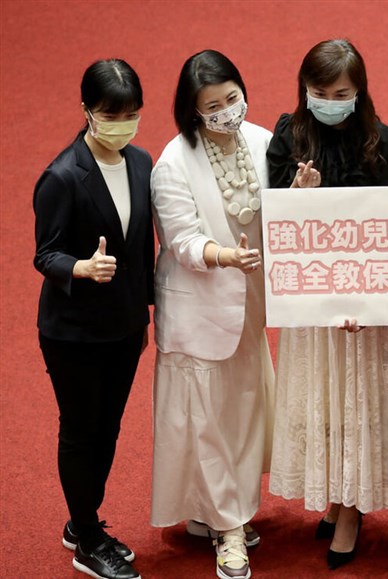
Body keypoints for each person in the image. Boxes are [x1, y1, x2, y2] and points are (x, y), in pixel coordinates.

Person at [266, 38, 388, 570]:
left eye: (341, 93)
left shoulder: (383, 141)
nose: (329, 102)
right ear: (305, 90)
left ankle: (350, 511)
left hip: (363, 308)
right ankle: (334, 495)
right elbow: (274, 219)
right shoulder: (289, 134)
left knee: (357, 404)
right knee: (321, 401)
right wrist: (296, 195)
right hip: (312, 303)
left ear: (359, 91)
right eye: (319, 92)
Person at [149, 49, 276, 579]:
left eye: (232, 98)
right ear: (193, 110)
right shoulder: (173, 163)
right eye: (213, 106)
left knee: (242, 411)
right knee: (205, 422)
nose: (227, 111)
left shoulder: (263, 141)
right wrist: (225, 256)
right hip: (199, 309)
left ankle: (221, 512)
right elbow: (181, 240)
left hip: (251, 305)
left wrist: (302, 190)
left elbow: (283, 208)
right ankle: (228, 530)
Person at [33, 58, 151, 579]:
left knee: (109, 428)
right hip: (74, 333)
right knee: (82, 431)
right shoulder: (62, 176)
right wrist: (80, 267)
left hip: (124, 326)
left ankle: (81, 521)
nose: (122, 124)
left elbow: (143, 246)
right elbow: (45, 253)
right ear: (87, 111)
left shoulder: (141, 163)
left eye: (131, 114)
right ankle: (87, 538)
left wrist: (146, 312)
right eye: (111, 114)